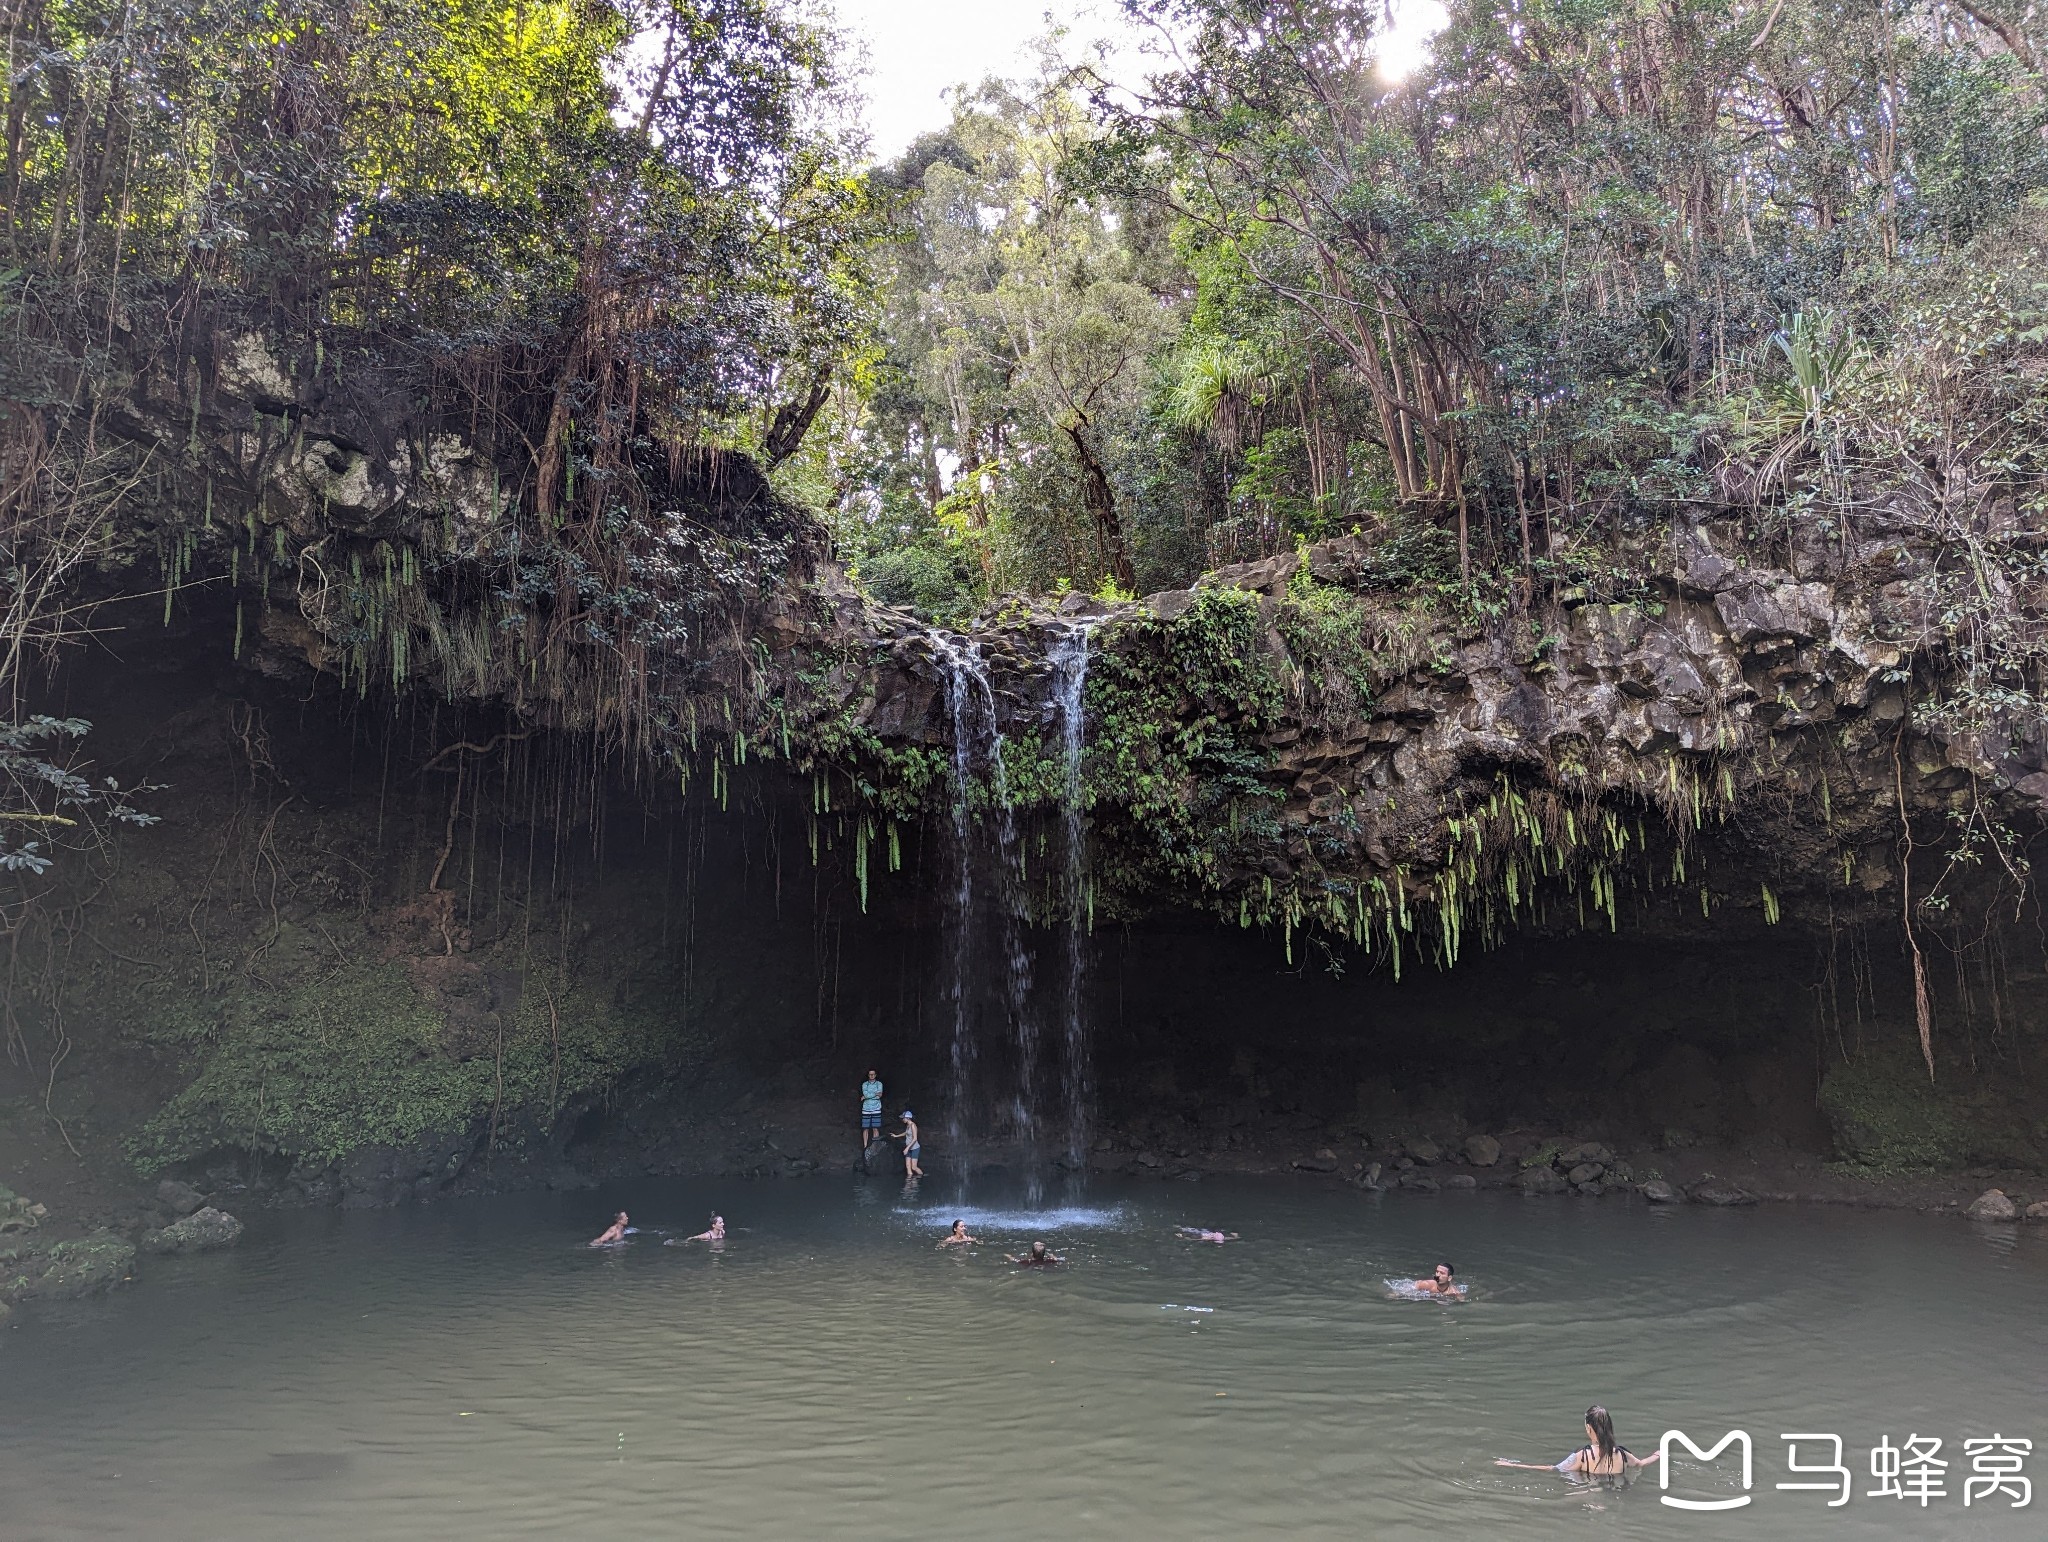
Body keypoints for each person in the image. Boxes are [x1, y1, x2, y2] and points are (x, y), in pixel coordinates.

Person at [1497, 1406, 1663, 1478]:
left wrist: (1513, 1465)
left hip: (1588, 1493)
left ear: (1589, 1428)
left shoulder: (1583, 1456)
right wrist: (1658, 1454)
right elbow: (1641, 1464)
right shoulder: (1622, 1455)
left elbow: (1552, 1469)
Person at [893, 1110, 924, 1179]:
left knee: (914, 1167)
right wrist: (896, 1136)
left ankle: (922, 1177)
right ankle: (909, 1183)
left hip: (915, 1148)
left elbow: (915, 1138)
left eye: (903, 1118)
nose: (902, 1119)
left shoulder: (913, 1125)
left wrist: (907, 1148)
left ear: (908, 1118)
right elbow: (906, 1133)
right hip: (909, 1148)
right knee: (907, 1165)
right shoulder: (908, 1125)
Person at [859, 1069, 885, 1151]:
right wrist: (875, 1093)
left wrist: (866, 1096)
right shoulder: (865, 1084)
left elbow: (879, 1095)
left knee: (875, 1128)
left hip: (876, 1108)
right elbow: (866, 1094)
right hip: (866, 1108)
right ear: (868, 1075)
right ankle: (865, 1146)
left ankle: (875, 1146)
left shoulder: (879, 1084)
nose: (872, 1076)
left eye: (873, 1074)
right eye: (870, 1074)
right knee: (865, 1128)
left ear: (876, 1075)